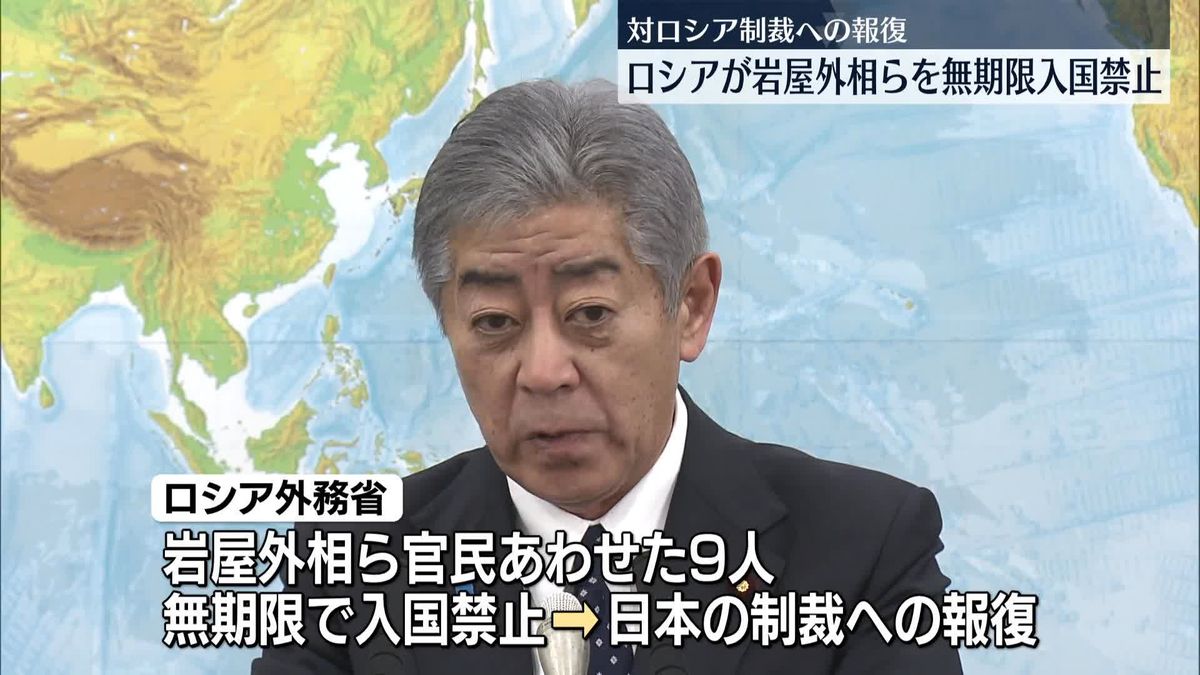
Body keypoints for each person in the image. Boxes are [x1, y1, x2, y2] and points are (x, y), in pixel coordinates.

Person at [252, 78, 962, 674]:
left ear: (691, 305)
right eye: (495, 322)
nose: (544, 373)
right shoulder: (349, 568)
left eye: (589, 313)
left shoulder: (863, 548)